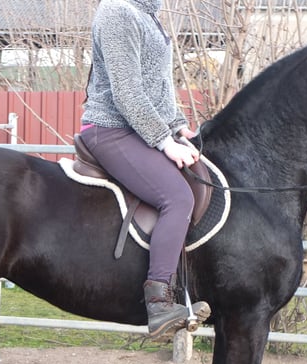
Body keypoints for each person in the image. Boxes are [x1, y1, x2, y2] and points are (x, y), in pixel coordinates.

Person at [79, 0, 210, 339]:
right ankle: (159, 303)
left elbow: (158, 86)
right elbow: (127, 92)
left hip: (137, 129)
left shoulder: (149, 15)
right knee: (178, 198)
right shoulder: (118, 11)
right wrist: (164, 141)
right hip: (110, 129)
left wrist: (180, 127)